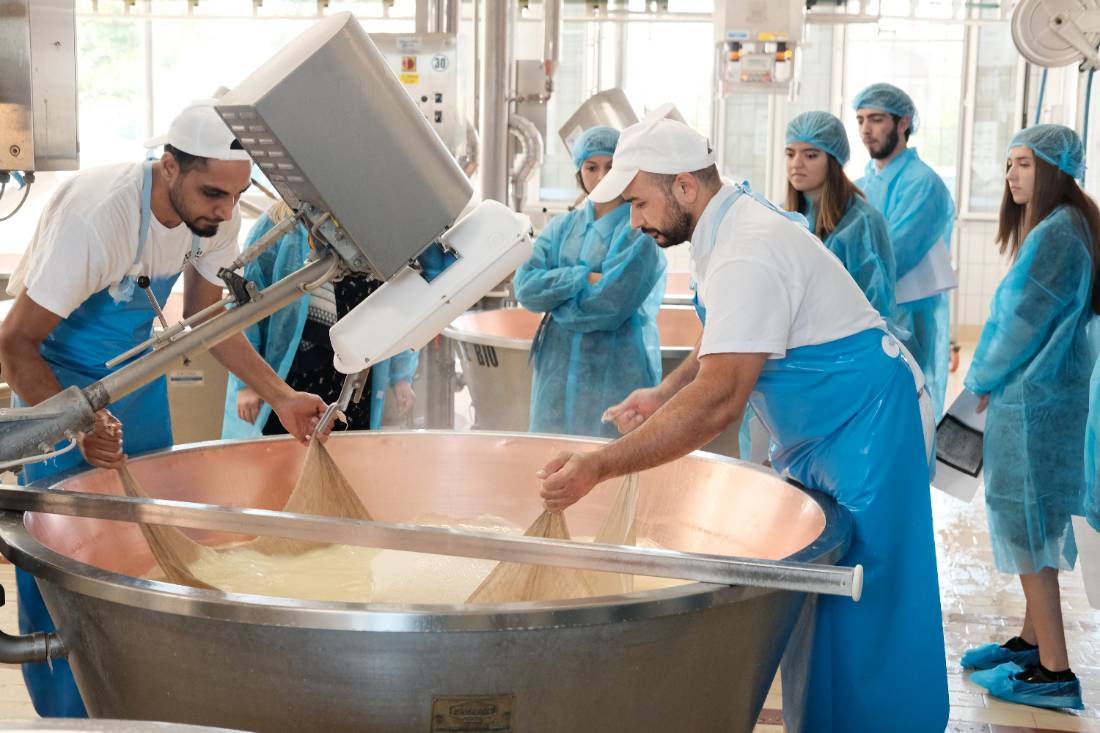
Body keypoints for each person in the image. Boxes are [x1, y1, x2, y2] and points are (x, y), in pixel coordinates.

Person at [536, 105, 946, 733]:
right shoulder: (723, 229)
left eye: (640, 205)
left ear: (684, 186)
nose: (636, 221)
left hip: (872, 428)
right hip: (826, 435)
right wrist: (665, 394)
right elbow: (726, 338)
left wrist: (601, 466)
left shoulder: (746, 249)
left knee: (870, 603)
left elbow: (723, 400)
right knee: (822, 605)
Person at [0, 99, 328, 717]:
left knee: (149, 542)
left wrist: (282, 397)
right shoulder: (99, 218)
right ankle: (74, 712)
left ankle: (144, 706)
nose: (226, 211)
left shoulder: (214, 213)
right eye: (212, 193)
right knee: (71, 551)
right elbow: (14, 344)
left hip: (137, 381)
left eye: (237, 196)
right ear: (168, 166)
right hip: (55, 381)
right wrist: (74, 425)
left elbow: (206, 323)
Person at [960, 124, 1100, 711]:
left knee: (1028, 529)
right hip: (1049, 395)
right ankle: (1031, 640)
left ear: (1053, 171)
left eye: (1022, 165)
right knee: (1036, 523)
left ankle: (1054, 672)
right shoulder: (1070, 227)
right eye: (1009, 165)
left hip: (1031, 399)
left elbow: (1017, 320)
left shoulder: (1057, 235)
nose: (1012, 177)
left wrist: (978, 379)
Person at [512, 125, 666, 439]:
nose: (601, 176)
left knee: (615, 467)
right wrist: (584, 277)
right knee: (551, 463)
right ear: (579, 172)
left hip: (619, 374)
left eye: (611, 167)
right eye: (591, 167)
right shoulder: (561, 227)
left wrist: (556, 296)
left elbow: (609, 306)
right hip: (554, 376)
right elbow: (525, 287)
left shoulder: (640, 231)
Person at [222, 201, 419, 438]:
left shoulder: (377, 230)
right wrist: (248, 385)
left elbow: (396, 307)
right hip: (289, 383)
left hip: (355, 386)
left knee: (346, 463)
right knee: (285, 464)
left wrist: (401, 377)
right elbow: (245, 313)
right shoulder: (279, 226)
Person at [854, 82, 956, 419]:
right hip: (868, 316)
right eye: (860, 120)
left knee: (905, 409)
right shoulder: (865, 183)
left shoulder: (922, 183)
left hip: (907, 318)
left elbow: (892, 255)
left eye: (877, 119)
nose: (866, 130)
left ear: (903, 123)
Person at [785, 111, 897, 323]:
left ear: (833, 161)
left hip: (845, 347)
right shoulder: (783, 216)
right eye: (790, 154)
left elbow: (875, 307)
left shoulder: (863, 223)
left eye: (810, 155)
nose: (796, 164)